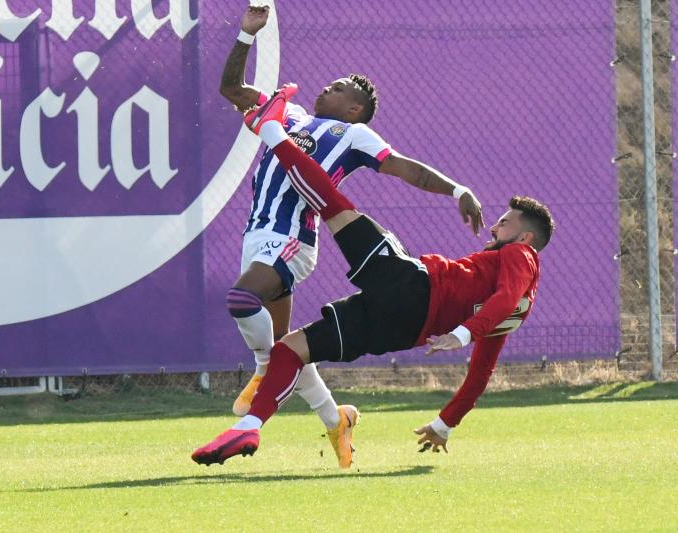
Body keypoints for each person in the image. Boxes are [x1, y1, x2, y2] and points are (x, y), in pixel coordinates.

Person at [191, 86, 555, 466]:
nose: (494, 229)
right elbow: (481, 372)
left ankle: (272, 134)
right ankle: (249, 427)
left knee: (332, 204)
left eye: (503, 223)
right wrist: (445, 424)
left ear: (526, 237)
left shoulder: (520, 255)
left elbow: (506, 297)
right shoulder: (508, 314)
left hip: (413, 286)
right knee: (291, 349)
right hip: (401, 329)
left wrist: (462, 334)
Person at [219, 5, 483, 468]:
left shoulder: (354, 134)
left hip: (293, 237)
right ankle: (335, 417)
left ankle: (261, 375)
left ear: (355, 109)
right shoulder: (292, 115)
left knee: (242, 301)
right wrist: (245, 35)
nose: (328, 87)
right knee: (289, 351)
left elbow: (409, 171)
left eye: (340, 88)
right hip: (257, 234)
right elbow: (231, 90)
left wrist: (456, 189)